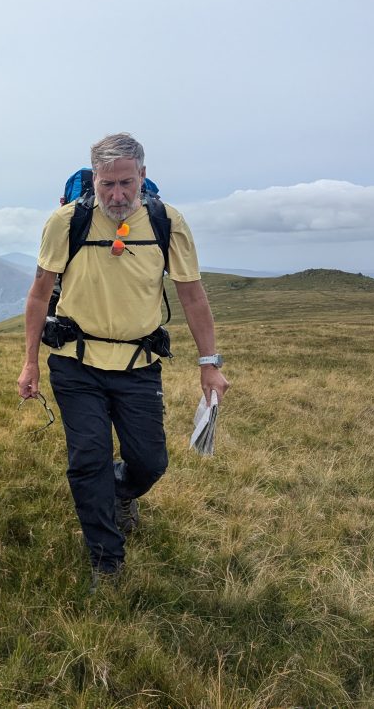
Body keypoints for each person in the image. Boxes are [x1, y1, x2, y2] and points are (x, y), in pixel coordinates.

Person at [17, 133, 230, 592]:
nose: (117, 195)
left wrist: (209, 362)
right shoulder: (65, 222)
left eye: (126, 183)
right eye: (107, 184)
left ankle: (120, 491)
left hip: (138, 363)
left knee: (149, 462)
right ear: (93, 178)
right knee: (87, 458)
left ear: (144, 177)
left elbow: (192, 296)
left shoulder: (167, 222)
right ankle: (106, 563)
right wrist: (30, 363)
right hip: (76, 363)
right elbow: (38, 295)